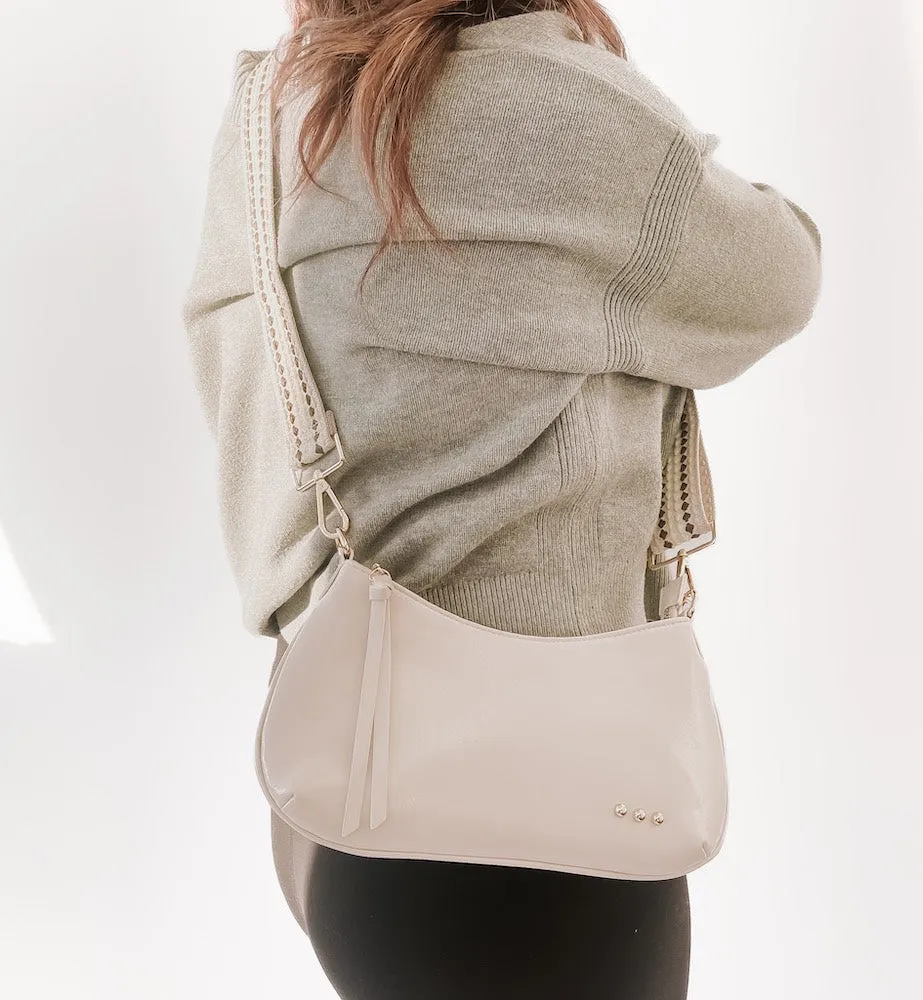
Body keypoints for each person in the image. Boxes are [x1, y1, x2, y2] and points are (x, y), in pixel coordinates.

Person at [182, 3, 823, 998]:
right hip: (554, 819)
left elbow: (244, 406)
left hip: (342, 787)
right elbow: (779, 272)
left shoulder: (273, 111)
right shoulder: (570, 106)